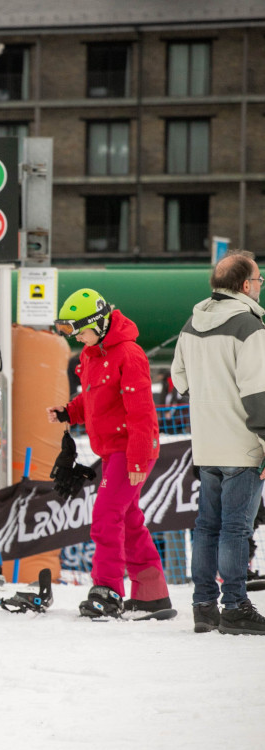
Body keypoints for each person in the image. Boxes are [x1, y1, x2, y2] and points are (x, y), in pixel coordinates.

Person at [47, 288, 168, 618]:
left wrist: (138, 459)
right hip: (111, 450)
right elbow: (92, 398)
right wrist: (68, 412)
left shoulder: (130, 354)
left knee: (105, 517)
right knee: (128, 521)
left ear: (99, 323)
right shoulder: (91, 354)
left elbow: (142, 413)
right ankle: (152, 594)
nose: (75, 336)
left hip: (130, 449)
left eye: (79, 329)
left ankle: (108, 591)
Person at [171, 251, 265, 634]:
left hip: (206, 442)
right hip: (242, 442)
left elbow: (179, 378)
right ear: (245, 286)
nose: (259, 287)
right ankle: (236, 606)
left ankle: (203, 606)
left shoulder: (192, 324)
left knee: (207, 526)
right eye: (258, 280)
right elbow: (258, 392)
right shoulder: (250, 326)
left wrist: (209, 401)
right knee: (235, 529)